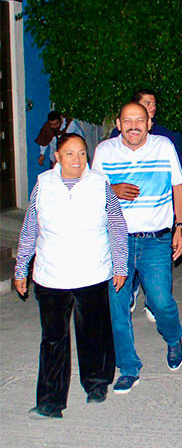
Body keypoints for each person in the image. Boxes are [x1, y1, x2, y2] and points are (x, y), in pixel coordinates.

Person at [14, 134, 128, 419]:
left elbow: (116, 225)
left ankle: (96, 383)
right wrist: (21, 268)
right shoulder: (43, 184)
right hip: (51, 274)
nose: (77, 159)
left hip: (92, 272)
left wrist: (120, 264)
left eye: (81, 153)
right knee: (53, 338)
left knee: (93, 333)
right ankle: (50, 402)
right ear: (57, 156)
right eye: (69, 154)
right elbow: (30, 228)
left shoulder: (100, 184)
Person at [92, 102, 182, 395]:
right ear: (119, 124)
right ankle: (128, 368)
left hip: (155, 239)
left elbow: (178, 187)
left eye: (140, 120)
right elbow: (90, 191)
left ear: (149, 123)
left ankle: (173, 337)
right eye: (128, 120)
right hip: (116, 240)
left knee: (160, 301)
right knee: (117, 307)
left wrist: (180, 226)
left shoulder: (163, 147)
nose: (134, 125)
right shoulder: (105, 151)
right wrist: (112, 190)